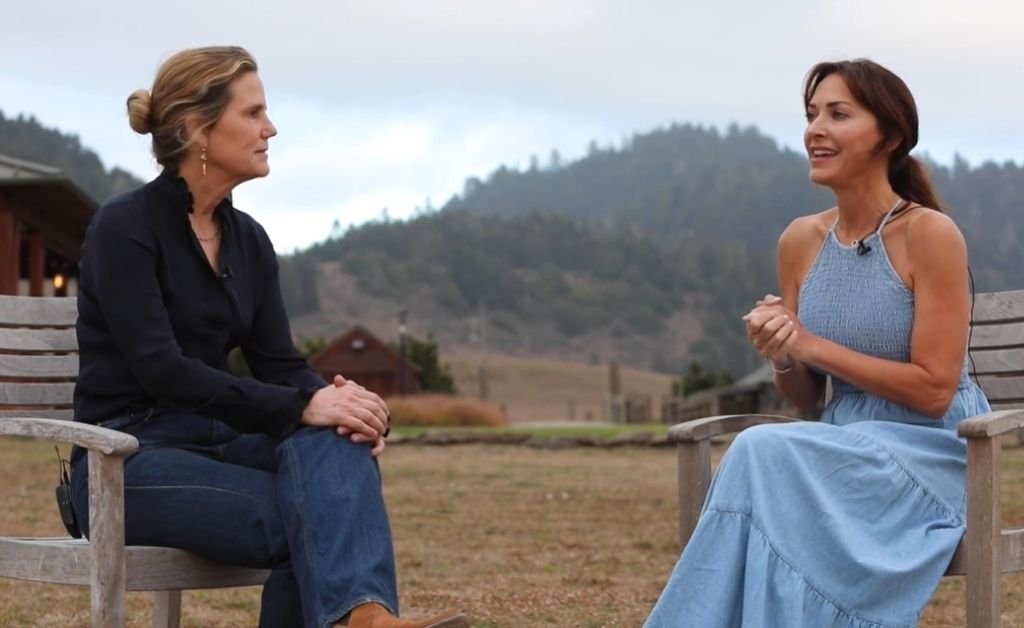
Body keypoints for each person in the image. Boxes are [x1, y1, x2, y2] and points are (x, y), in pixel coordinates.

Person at [69, 46, 468, 628]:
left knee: (336, 441)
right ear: (197, 129)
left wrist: (342, 408)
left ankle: (368, 620)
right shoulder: (125, 228)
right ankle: (365, 620)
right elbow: (163, 370)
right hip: (126, 461)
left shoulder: (248, 240)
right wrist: (304, 403)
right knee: (311, 525)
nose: (270, 128)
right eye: (253, 113)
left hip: (220, 443)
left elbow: (281, 365)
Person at [644, 59, 990, 627]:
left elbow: (933, 391)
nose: (815, 129)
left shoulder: (928, 234)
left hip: (926, 455)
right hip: (841, 447)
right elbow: (806, 398)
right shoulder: (800, 241)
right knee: (766, 457)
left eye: (838, 114)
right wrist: (781, 350)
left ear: (891, 136)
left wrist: (809, 345)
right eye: (811, 115)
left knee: (760, 451)